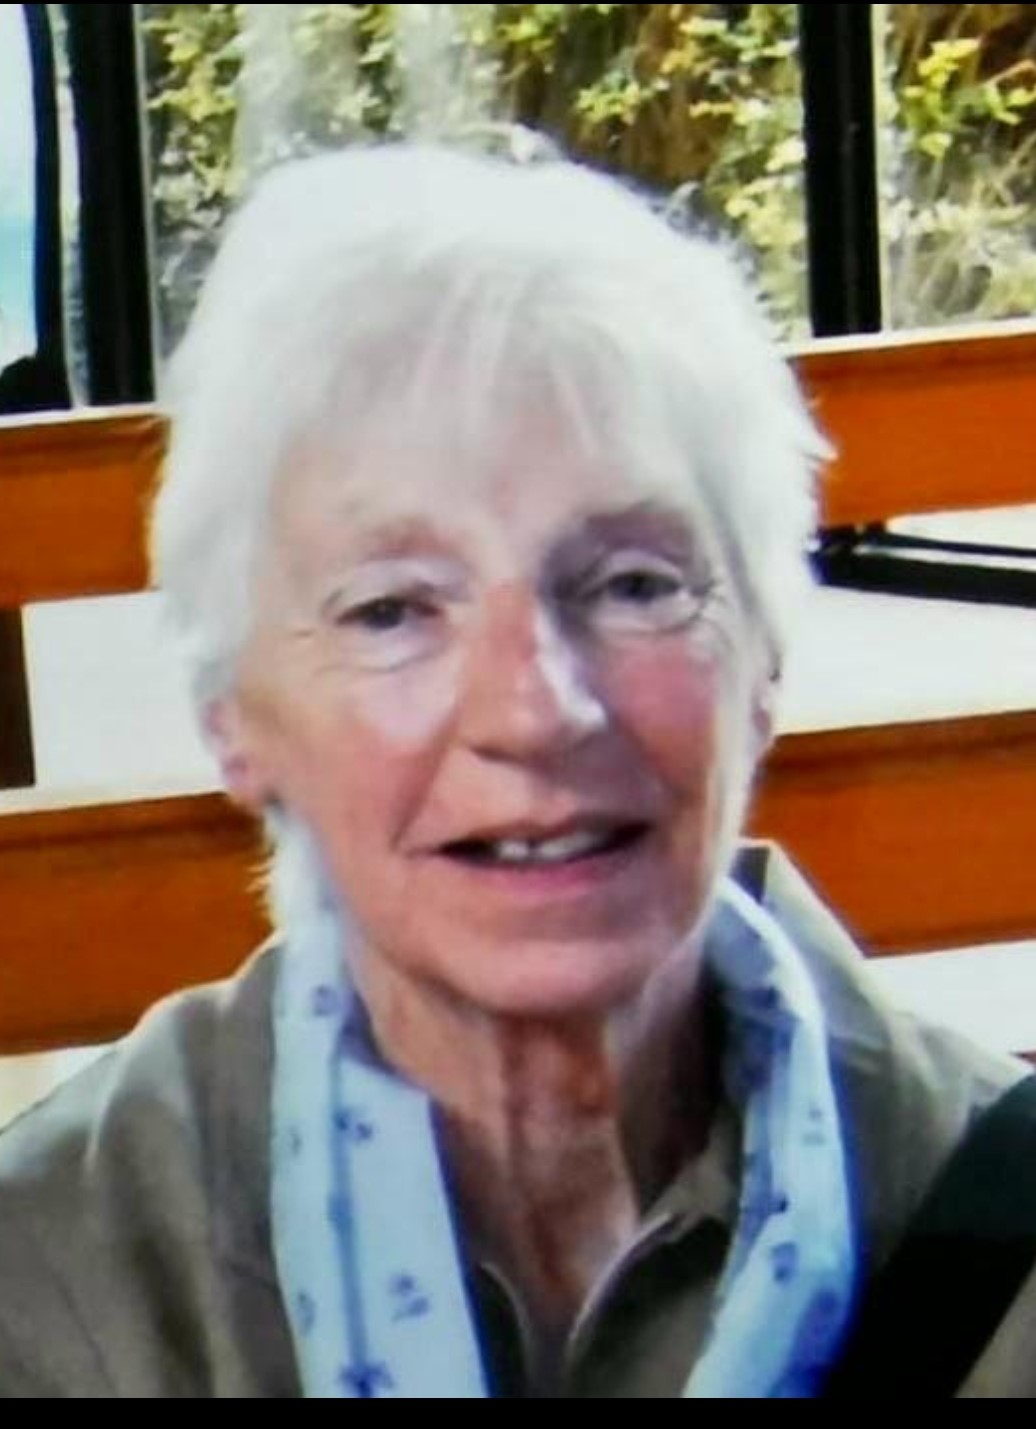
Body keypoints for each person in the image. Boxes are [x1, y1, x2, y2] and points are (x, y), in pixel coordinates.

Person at [0, 142, 1030, 1398]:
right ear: (234, 719)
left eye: (634, 584)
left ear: (764, 661)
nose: (537, 709)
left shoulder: (1000, 1230)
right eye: (391, 609)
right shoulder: (51, 1283)